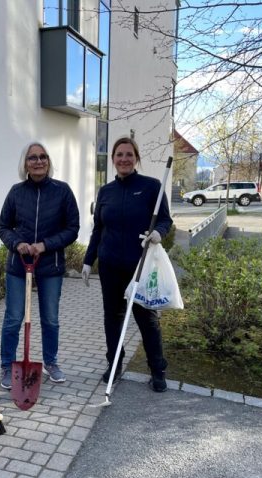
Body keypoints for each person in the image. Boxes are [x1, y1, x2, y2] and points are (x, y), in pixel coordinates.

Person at [82, 136, 173, 392]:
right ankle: (114, 364)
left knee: (147, 318)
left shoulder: (151, 187)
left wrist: (158, 233)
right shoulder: (106, 191)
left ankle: (157, 368)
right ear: (113, 160)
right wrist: (89, 261)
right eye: (119, 155)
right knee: (113, 318)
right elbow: (98, 229)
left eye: (129, 155)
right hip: (110, 266)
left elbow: (165, 220)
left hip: (139, 266)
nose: (124, 159)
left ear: (136, 158)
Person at [0, 142, 80, 389]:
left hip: (50, 267)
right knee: (13, 318)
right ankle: (7, 365)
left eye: (43, 157)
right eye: (33, 158)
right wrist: (18, 243)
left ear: (48, 161)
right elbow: (4, 227)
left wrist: (46, 245)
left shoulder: (62, 191)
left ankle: (51, 362)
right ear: (25, 163)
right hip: (18, 266)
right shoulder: (16, 192)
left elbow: (72, 229)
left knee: (50, 319)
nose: (38, 161)